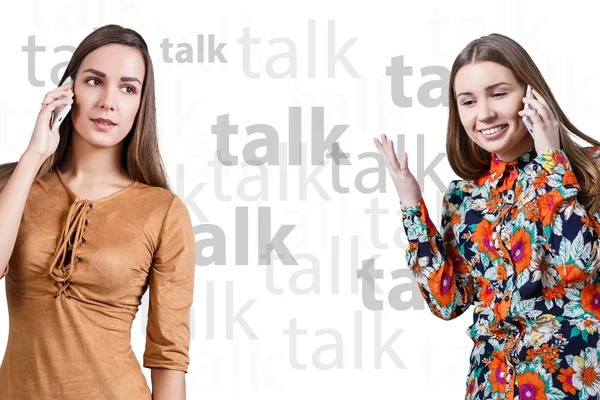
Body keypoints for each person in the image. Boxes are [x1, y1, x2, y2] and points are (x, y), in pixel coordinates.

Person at [374, 33, 600, 399]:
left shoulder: (591, 170)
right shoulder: (464, 197)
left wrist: (550, 162)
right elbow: (448, 303)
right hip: (491, 386)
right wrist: (412, 208)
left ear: (532, 94)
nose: (484, 114)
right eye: (468, 101)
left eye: (498, 94)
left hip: (574, 383)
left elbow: (577, 265)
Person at [0, 24, 196, 399]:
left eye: (127, 88)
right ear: (67, 90)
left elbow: (168, 355)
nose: (109, 101)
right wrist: (33, 156)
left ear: (141, 104)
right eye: (94, 81)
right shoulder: (17, 187)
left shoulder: (164, 211)